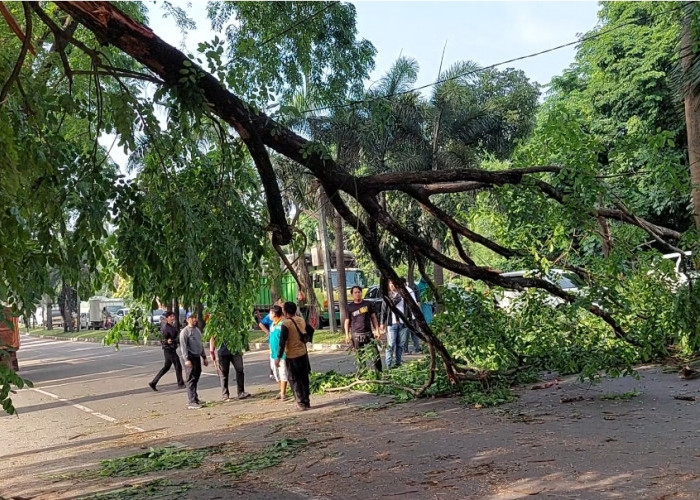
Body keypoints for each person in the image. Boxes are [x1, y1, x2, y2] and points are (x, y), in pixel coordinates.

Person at [276, 301, 311, 411]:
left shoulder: (286, 324)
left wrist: (278, 357)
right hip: (303, 354)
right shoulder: (301, 320)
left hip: (292, 355)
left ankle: (300, 403)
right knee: (304, 378)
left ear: (285, 311)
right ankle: (306, 401)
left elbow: (282, 342)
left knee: (294, 379)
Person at [345, 285, 382, 373]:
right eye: (355, 293)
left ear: (361, 293)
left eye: (359, 292)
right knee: (360, 356)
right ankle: (363, 374)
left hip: (368, 334)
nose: (358, 294)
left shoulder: (368, 304)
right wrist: (347, 335)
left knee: (375, 354)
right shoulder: (349, 307)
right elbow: (347, 321)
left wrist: (377, 330)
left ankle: (379, 373)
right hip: (356, 335)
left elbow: (373, 317)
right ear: (352, 295)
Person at [380, 280, 416, 368]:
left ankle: (398, 363)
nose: (392, 285)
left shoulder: (404, 295)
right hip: (391, 323)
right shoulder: (387, 296)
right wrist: (382, 323)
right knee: (391, 344)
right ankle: (388, 365)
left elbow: (409, 308)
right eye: (390, 284)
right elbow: (383, 311)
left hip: (403, 323)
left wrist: (410, 320)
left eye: (394, 283)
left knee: (400, 344)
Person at [209, 330, 251, 402]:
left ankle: (241, 392)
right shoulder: (218, 324)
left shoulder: (235, 321)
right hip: (223, 352)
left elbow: (241, 332)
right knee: (224, 373)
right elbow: (212, 337)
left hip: (236, 351)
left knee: (240, 369)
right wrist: (212, 351)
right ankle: (225, 394)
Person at [179, 312, 209, 409]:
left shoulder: (197, 330)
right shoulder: (185, 332)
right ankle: (191, 401)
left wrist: (204, 357)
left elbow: (200, 344)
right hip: (190, 357)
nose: (194, 319)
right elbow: (183, 347)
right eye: (191, 318)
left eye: (194, 317)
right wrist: (186, 359)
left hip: (197, 357)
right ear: (187, 319)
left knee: (196, 377)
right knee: (190, 379)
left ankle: (195, 398)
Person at [149, 311, 184, 391]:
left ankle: (153, 382)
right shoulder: (165, 328)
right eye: (171, 316)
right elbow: (162, 339)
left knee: (166, 367)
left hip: (172, 348)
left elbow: (175, 337)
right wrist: (166, 342)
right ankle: (180, 383)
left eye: (173, 316)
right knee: (178, 365)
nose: (173, 318)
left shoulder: (172, 326)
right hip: (169, 350)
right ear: (167, 318)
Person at [267, 305, 289, 400]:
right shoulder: (272, 325)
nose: (269, 315)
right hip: (273, 353)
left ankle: (283, 393)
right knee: (276, 374)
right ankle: (281, 390)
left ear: (275, 314)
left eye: (271, 313)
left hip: (282, 354)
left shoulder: (283, 325)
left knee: (283, 372)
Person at [259, 298, 284, 380]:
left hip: (282, 347)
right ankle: (273, 373)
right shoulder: (271, 320)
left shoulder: (283, 320)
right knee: (273, 357)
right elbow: (261, 324)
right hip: (273, 343)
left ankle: (282, 390)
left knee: (282, 368)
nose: (281, 304)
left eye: (282, 303)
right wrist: (268, 333)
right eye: (280, 303)